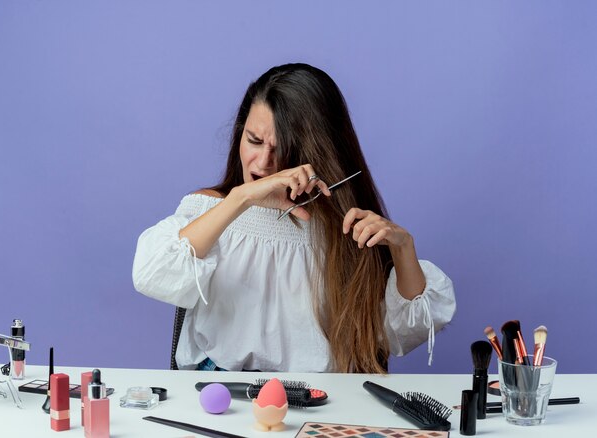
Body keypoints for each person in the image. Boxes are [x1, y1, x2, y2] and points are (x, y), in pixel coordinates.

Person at [132, 63, 455, 374]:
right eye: (253, 141)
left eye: (281, 148)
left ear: (316, 151)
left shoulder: (348, 229)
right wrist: (241, 198)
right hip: (220, 390)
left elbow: (407, 334)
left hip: (322, 398)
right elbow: (152, 274)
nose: (262, 162)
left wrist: (403, 249)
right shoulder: (212, 208)